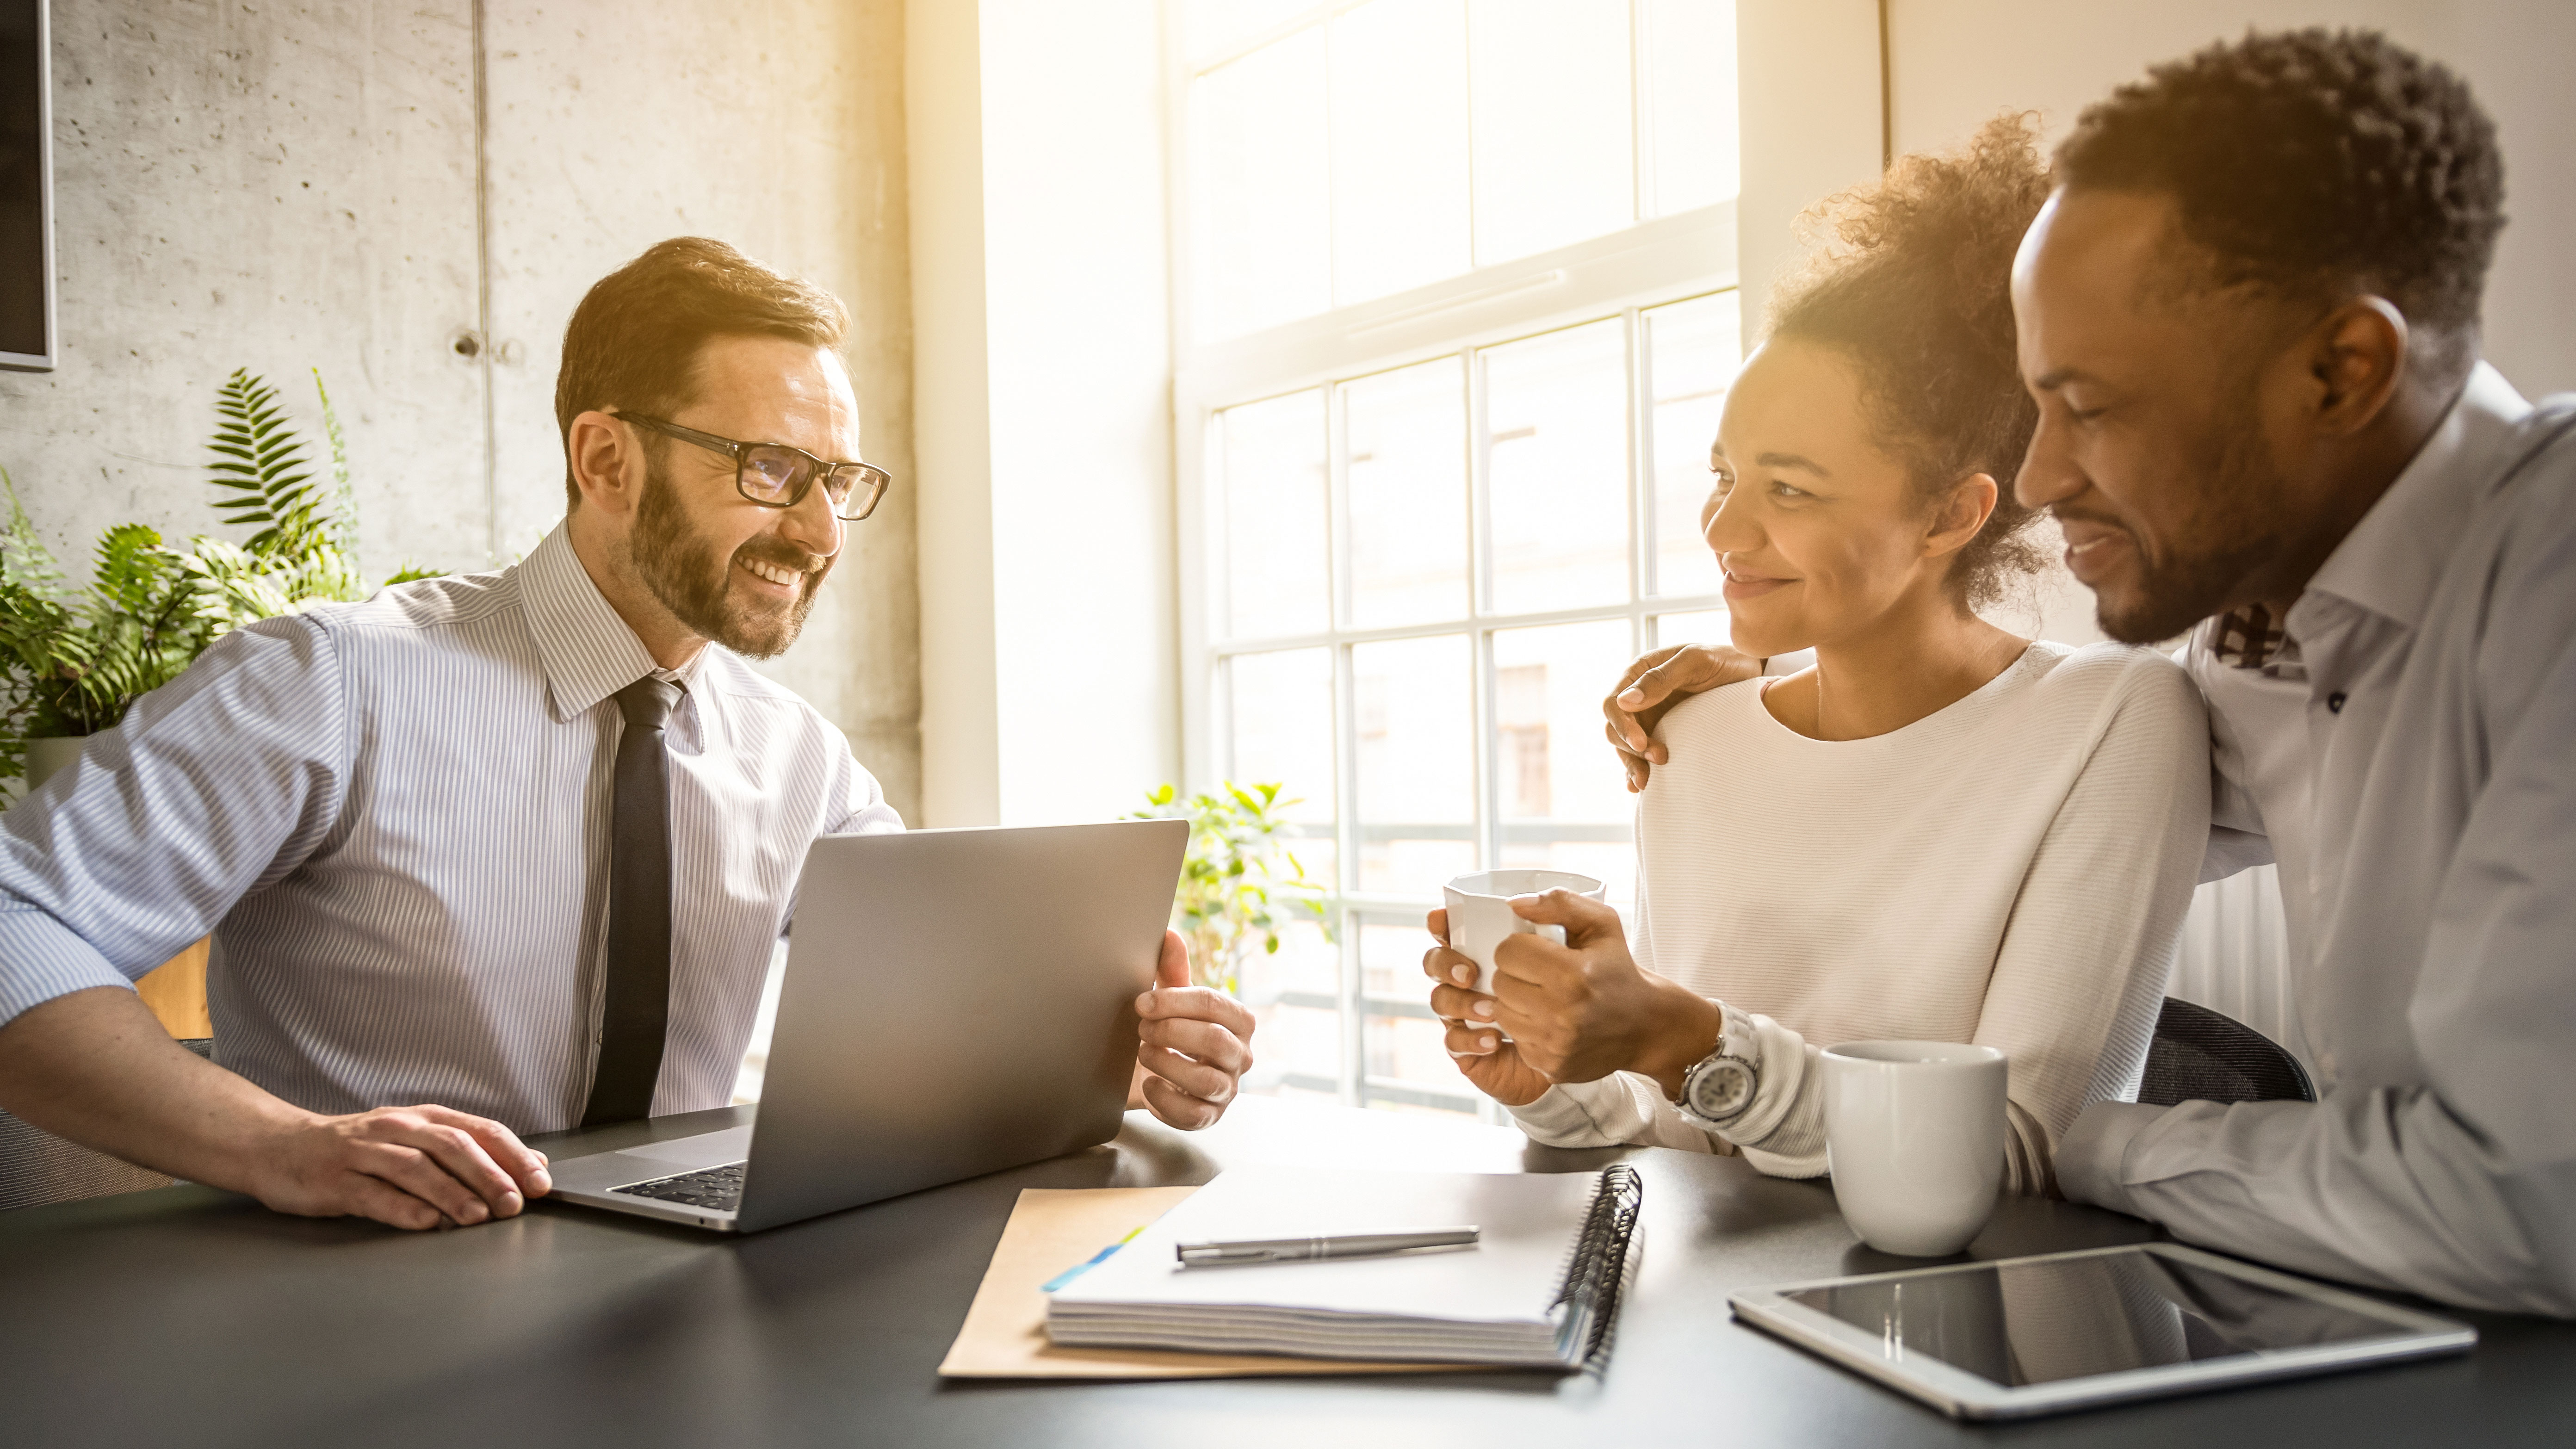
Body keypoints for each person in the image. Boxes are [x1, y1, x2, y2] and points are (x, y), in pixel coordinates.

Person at [1606, 31, 2576, 1317]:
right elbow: (2009, 753)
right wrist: (1793, 686)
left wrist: (2067, 1138)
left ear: (2342, 370)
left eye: (2094, 406)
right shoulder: (2259, 653)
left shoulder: (2547, 584)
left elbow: (2519, 1206)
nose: (2046, 477)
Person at [0, 238, 1253, 1232]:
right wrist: (280, 1144)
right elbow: (16, 922)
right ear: (606, 457)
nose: (820, 534)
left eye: (839, 483)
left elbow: (952, 1024)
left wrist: (1127, 1060)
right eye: (772, 469)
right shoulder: (336, 682)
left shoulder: (799, 758)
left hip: (683, 1288)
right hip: (352, 1290)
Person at [1423, 120, 2209, 1195]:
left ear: (1951, 513)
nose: (1723, 531)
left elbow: (2016, 1152)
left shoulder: (2115, 721)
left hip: (1956, 1328)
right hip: (1704, 1327)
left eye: (1788, 489)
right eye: (1723, 476)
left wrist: (1683, 1041)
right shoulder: (1689, 735)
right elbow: (1676, 1129)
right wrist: (1553, 1078)